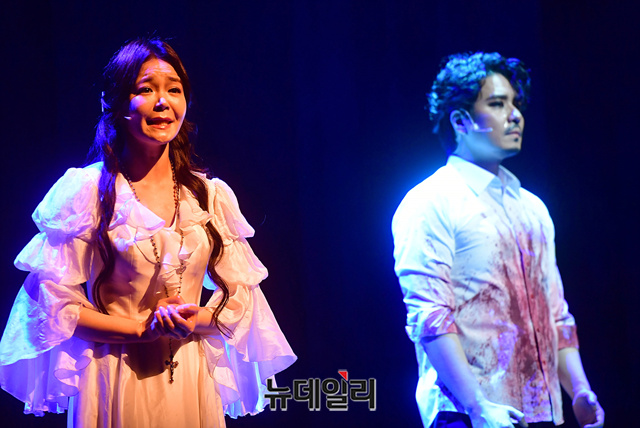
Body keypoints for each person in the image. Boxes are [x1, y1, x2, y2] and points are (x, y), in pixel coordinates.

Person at [0, 38, 296, 427]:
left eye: (174, 89)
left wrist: (195, 319)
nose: (162, 102)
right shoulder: (86, 191)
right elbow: (54, 307)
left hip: (190, 375)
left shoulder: (209, 195)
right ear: (113, 102)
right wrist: (142, 329)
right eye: (146, 89)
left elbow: (242, 303)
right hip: (115, 374)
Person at [391, 52, 604, 428]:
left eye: (515, 103)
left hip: (541, 413)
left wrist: (580, 390)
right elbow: (429, 318)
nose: (515, 114)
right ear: (460, 121)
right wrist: (478, 407)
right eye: (497, 103)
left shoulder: (532, 207)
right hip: (467, 415)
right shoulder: (430, 201)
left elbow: (556, 314)